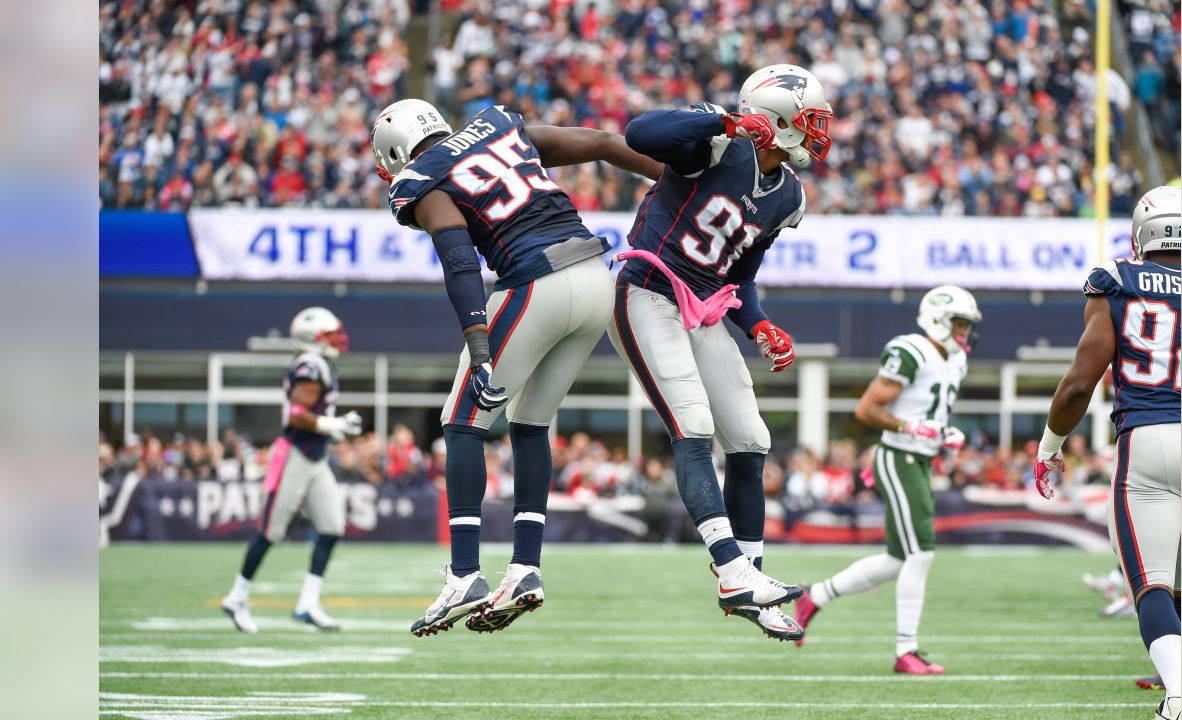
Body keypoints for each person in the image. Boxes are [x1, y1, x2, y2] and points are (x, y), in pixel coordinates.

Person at [371, 99, 662, 637]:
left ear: (394, 153)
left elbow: (459, 261)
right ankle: (525, 567)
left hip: (536, 283)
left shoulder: (422, 177)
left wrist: (478, 345)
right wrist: (673, 180)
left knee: (462, 423)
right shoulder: (497, 126)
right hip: (595, 277)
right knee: (530, 423)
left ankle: (464, 574)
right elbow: (600, 142)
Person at [611, 64, 834, 641]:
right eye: (811, 122)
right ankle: (731, 569)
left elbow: (742, 276)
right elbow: (640, 133)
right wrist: (726, 120)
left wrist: (759, 324)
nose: (818, 133)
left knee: (751, 438)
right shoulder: (716, 147)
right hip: (648, 290)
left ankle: (752, 586)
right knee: (694, 425)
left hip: (704, 306)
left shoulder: (789, 194)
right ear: (781, 120)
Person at [1034, 186, 1182, 720]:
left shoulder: (1119, 279)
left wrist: (1051, 446)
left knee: (1151, 583)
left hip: (1147, 437)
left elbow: (1079, 384)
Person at [795, 285, 983, 674]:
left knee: (899, 558)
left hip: (915, 459)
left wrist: (941, 434)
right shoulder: (911, 350)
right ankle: (905, 651)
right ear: (937, 319)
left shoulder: (956, 360)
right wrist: (913, 428)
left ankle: (814, 596)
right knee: (922, 553)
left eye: (967, 325)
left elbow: (928, 412)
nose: (964, 333)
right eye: (959, 323)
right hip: (899, 456)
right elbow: (867, 409)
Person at [220, 307, 364, 633]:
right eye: (329, 336)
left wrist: (331, 428)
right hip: (295, 456)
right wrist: (334, 423)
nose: (336, 341)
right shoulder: (310, 365)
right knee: (270, 531)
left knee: (331, 526)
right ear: (312, 339)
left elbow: (310, 414)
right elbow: (298, 414)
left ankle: (308, 604)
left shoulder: (319, 364)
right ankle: (237, 596)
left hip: (315, 456)